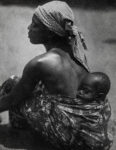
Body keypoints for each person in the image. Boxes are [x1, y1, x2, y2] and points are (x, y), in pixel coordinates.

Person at [0, 1, 113, 150]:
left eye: (35, 25)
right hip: (87, 130)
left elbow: (15, 97)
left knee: (12, 84)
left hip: (69, 137)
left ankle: (21, 132)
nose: (29, 28)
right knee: (37, 87)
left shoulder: (41, 63)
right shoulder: (76, 54)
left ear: (50, 32)